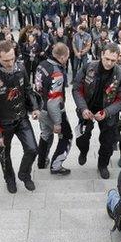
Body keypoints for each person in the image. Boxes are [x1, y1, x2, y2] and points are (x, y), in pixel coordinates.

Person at [0, 40, 41, 194]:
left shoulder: (20, 67)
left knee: (32, 149)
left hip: (21, 118)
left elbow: (28, 89)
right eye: (6, 60)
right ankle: (9, 179)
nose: (11, 62)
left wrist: (35, 107)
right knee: (5, 155)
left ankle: (24, 173)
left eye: (12, 58)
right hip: (2, 124)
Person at [73, 43, 121, 179]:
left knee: (108, 142)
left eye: (113, 60)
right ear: (101, 55)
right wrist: (83, 108)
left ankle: (102, 165)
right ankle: (84, 151)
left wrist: (107, 112)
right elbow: (76, 88)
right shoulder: (88, 67)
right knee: (82, 137)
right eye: (107, 59)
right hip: (87, 107)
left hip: (108, 111)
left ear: (117, 60)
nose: (109, 63)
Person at [35, 43, 73, 175]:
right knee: (67, 136)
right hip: (52, 110)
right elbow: (53, 101)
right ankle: (56, 166)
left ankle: (41, 162)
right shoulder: (57, 73)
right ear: (62, 57)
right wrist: (57, 122)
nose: (68, 59)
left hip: (40, 108)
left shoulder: (42, 64)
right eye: (67, 57)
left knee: (45, 134)